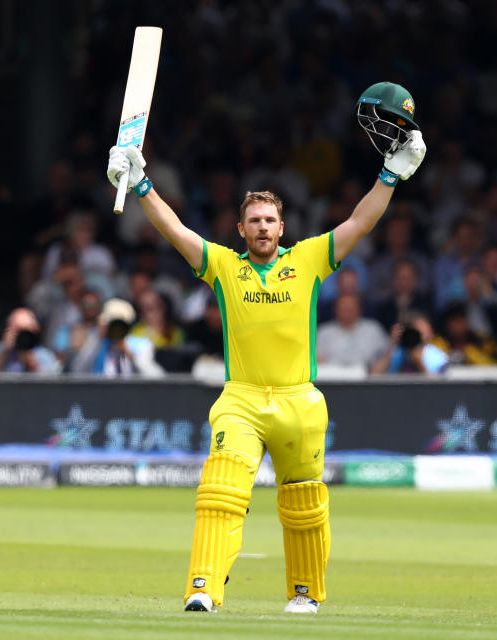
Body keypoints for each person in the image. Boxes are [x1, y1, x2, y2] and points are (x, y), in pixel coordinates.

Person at [107, 80, 426, 615]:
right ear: (240, 228)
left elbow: (361, 221)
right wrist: (140, 185)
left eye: (269, 220)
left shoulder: (308, 259)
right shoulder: (224, 267)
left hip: (300, 401)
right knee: (220, 492)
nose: (261, 226)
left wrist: (392, 175)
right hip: (242, 400)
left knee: (304, 504)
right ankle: (203, 588)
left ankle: (305, 594)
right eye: (253, 220)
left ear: (282, 227)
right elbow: (176, 231)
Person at [316, 293, 388, 370]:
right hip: (330, 378)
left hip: (367, 378)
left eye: (350, 308)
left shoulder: (373, 329)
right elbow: (317, 361)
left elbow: (385, 355)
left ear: (359, 309)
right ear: (335, 310)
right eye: (343, 308)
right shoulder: (323, 332)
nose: (347, 311)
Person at [0, 307, 57, 374]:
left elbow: (48, 385)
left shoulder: (44, 355)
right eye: (18, 330)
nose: (22, 336)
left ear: (35, 331)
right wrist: (4, 352)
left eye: (26, 331)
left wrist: (31, 362)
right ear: (8, 330)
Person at [369, 312, 448, 375]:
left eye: (421, 331)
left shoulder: (438, 357)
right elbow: (374, 375)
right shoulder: (396, 353)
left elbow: (436, 389)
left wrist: (419, 363)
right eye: (414, 331)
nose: (417, 336)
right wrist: (392, 344)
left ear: (430, 333)